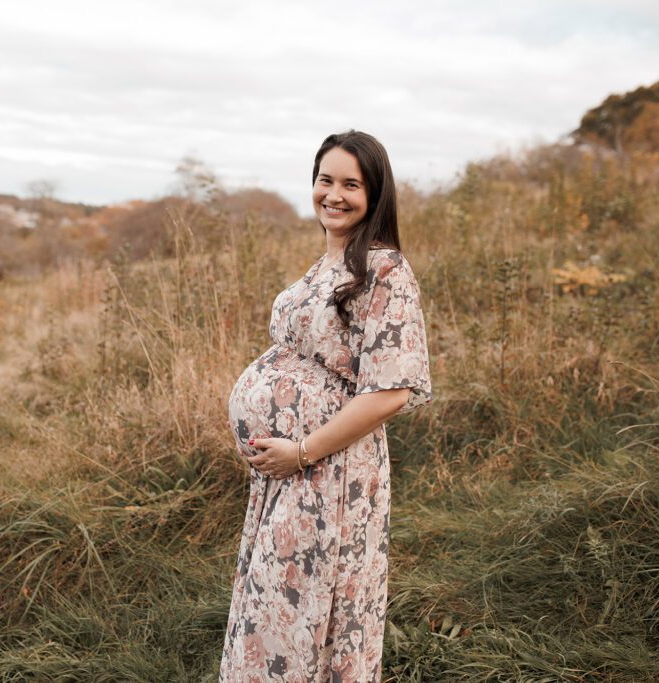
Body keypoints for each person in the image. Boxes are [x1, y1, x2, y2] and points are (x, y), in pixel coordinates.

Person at [220, 130, 434, 681]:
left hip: (330, 473)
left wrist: (304, 451)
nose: (333, 194)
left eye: (350, 184)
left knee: (309, 612)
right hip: (291, 474)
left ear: (376, 193)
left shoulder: (386, 270)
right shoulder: (330, 261)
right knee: (276, 610)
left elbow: (392, 390)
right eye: (325, 180)